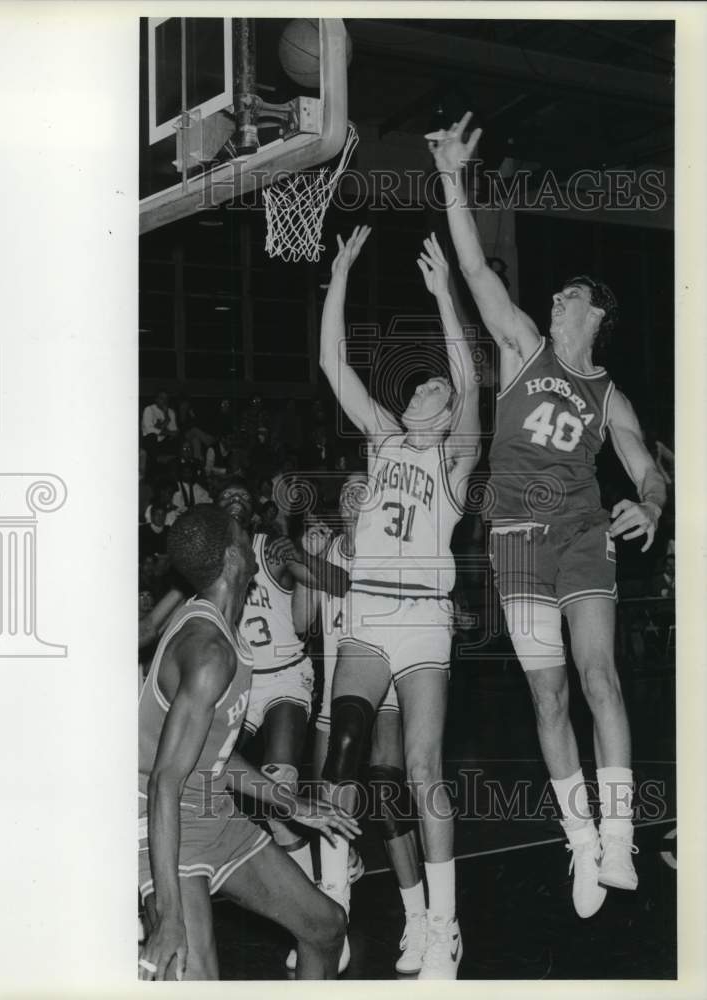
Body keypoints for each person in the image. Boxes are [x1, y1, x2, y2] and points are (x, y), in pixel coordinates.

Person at [429, 111, 668, 917]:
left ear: (591, 313)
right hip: (516, 542)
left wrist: (652, 501)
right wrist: (452, 179)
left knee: (601, 676)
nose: (553, 301)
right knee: (549, 697)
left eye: (566, 297)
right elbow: (472, 268)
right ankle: (580, 843)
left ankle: (622, 838)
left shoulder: (610, 394)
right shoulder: (524, 346)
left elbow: (642, 465)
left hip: (581, 533)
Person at [318, 226, 481, 979]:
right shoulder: (384, 442)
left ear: (449, 416)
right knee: (345, 757)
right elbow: (331, 362)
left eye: (439, 389)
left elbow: (472, 381)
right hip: (368, 615)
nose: (432, 390)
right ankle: (335, 914)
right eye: (423, 385)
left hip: (423, 622)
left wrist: (446, 292)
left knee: (422, 772)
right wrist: (341, 274)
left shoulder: (453, 462)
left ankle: (443, 927)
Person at [138, 505, 358, 981]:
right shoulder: (209, 650)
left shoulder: (221, 627)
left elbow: (211, 755)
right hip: (160, 820)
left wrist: (290, 803)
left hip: (211, 809)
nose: (252, 534)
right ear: (234, 556)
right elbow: (163, 784)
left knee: (325, 926)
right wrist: (170, 916)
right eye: (242, 532)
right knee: (193, 976)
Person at [292, 472, 427, 975]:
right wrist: (306, 562)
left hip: (386, 693)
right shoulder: (325, 554)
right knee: (328, 808)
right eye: (348, 490)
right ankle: (334, 925)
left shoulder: (393, 554)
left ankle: (421, 919)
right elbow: (304, 621)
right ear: (339, 506)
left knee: (389, 801)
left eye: (365, 490)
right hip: (335, 701)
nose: (356, 495)